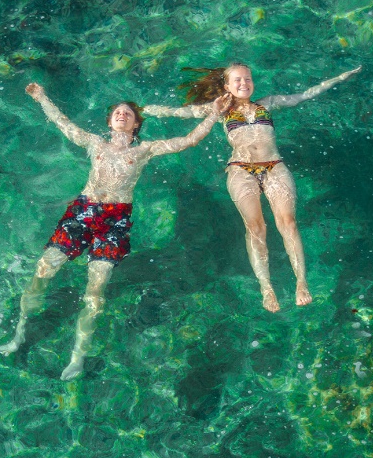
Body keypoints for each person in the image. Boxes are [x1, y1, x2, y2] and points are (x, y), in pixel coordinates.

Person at [0, 82, 229, 381]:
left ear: (136, 124)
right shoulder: (94, 143)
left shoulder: (145, 149)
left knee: (95, 292)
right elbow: (62, 122)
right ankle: (19, 334)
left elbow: (187, 140)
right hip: (82, 212)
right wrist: (42, 96)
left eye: (128, 113)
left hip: (115, 221)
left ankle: (77, 357)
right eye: (117, 112)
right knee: (43, 271)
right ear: (109, 122)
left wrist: (213, 115)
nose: (122, 114)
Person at [143, 63, 361, 312]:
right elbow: (180, 113)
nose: (244, 83)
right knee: (255, 226)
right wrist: (147, 110)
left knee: (288, 222)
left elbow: (306, 94)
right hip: (240, 170)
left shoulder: (267, 103)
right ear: (226, 86)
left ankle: (301, 282)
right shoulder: (220, 110)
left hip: (275, 167)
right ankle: (266, 287)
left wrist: (341, 76)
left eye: (247, 78)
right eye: (237, 80)